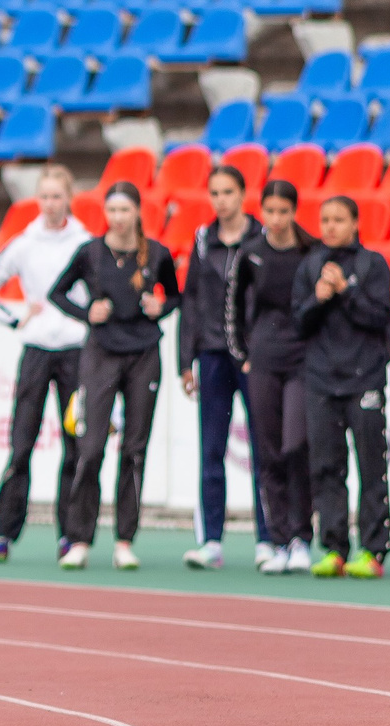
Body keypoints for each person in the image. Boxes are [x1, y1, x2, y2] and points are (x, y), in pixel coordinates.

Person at [46, 180, 181, 571]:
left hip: (144, 356)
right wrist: (86, 313)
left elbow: (176, 295)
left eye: (125, 210)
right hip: (100, 354)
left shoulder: (157, 253)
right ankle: (79, 539)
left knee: (134, 450)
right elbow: (57, 293)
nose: (118, 218)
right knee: (89, 449)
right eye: (112, 210)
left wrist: (161, 307)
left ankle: (124, 540)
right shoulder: (89, 252)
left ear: (137, 212)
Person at [0, 165, 91, 563]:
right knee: (21, 444)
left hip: (76, 352)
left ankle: (70, 535)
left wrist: (86, 321)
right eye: (44, 197)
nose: (50, 204)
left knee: (75, 445)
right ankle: (4, 532)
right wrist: (15, 318)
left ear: (68, 199)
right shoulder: (23, 244)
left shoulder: (85, 243)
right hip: (37, 351)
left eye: (57, 196)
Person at [295, 195, 390, 578]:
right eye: (325, 219)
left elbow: (381, 318)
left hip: (363, 380)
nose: (331, 226)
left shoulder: (373, 264)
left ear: (355, 222)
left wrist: (346, 290)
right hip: (320, 381)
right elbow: (298, 322)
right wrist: (317, 299)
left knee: (372, 466)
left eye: (339, 219)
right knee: (325, 467)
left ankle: (372, 550)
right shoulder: (310, 265)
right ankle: (334, 548)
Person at [226, 178, 316, 574]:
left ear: (294, 212)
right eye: (270, 211)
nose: (276, 219)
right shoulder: (250, 253)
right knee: (268, 452)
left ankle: (302, 538)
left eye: (283, 211)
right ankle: (278, 540)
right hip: (263, 360)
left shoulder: (311, 250)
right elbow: (232, 307)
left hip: (302, 362)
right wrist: (242, 355)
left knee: (296, 446)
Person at [177, 163, 263, 571]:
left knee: (265, 451)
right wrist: (185, 361)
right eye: (214, 193)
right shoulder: (202, 239)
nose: (221, 200)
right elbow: (190, 301)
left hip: (254, 358)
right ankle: (211, 540)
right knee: (211, 449)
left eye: (228, 192)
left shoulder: (262, 236)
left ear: (242, 193)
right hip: (211, 355)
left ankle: (269, 540)